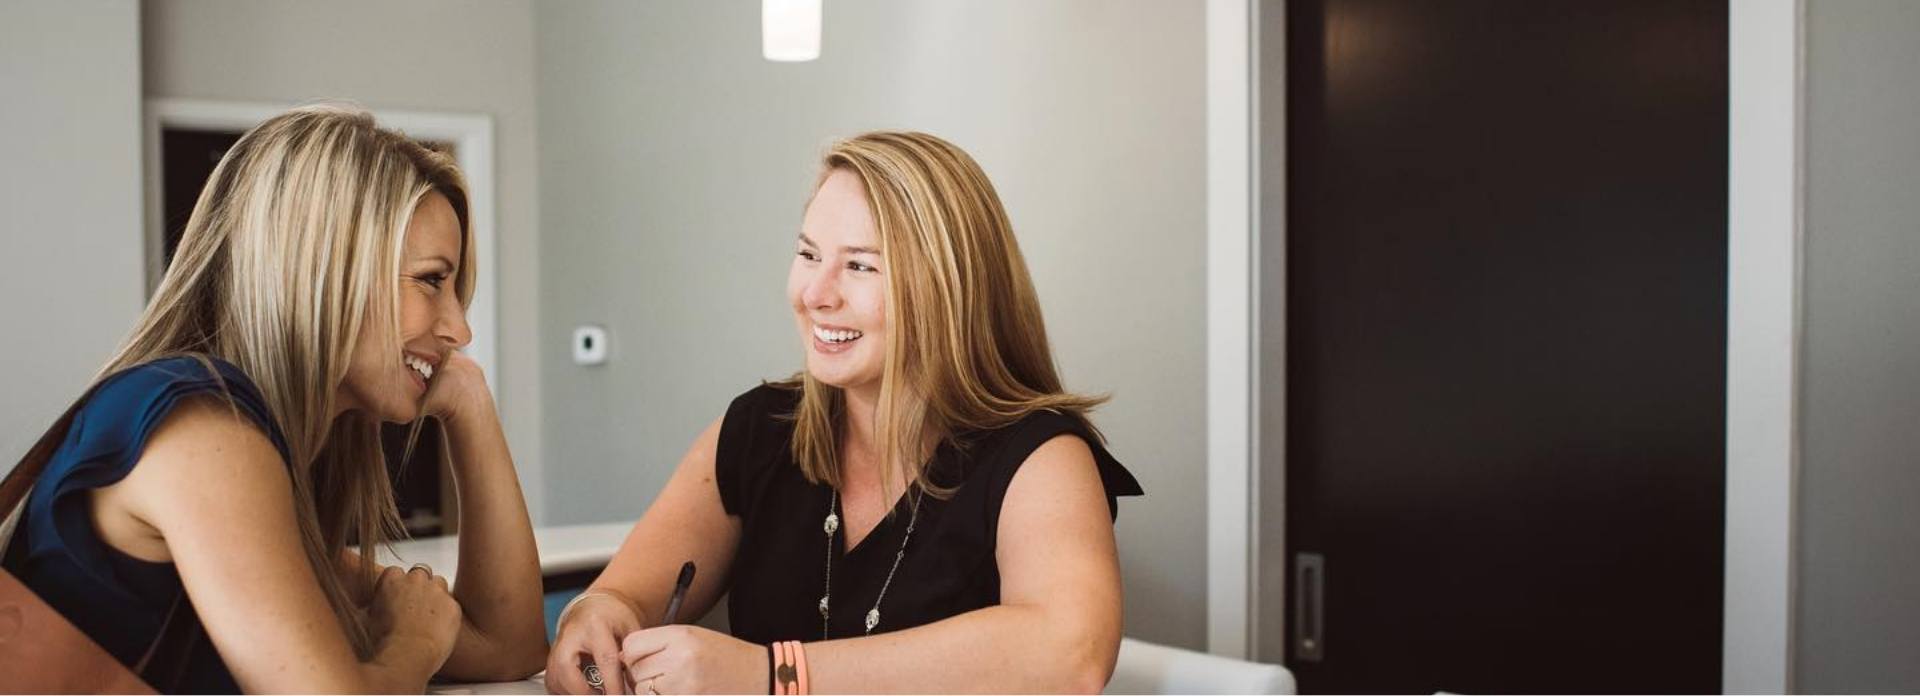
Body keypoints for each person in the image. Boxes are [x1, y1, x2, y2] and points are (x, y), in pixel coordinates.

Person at [547, 131, 1144, 694]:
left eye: (859, 265)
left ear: (946, 288)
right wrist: (595, 615)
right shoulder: (759, 428)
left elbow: (1071, 655)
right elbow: (622, 595)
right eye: (809, 255)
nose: (815, 294)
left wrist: (773, 676)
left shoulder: (1042, 455)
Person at [1, 104, 547, 693]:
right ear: (324, 268)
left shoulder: (254, 453)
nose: (460, 330)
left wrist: (471, 403)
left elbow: (509, 647)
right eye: (432, 281)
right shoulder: (203, 425)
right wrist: (409, 643)